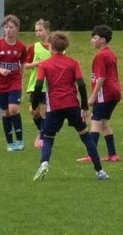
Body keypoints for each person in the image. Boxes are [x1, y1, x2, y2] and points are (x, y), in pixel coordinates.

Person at [32, 31, 107, 181]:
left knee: (48, 137)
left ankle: (44, 163)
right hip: (72, 104)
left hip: (55, 106)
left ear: (51, 47)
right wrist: (84, 106)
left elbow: (38, 85)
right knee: (86, 136)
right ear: (65, 46)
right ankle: (100, 171)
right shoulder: (73, 63)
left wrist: (36, 104)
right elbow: (81, 84)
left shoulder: (45, 65)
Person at [0, 14, 33, 151]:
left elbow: (23, 62)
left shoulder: (21, 46)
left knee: (13, 109)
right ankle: (10, 143)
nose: (8, 30)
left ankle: (20, 141)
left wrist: (21, 76)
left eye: (11, 27)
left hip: (14, 82)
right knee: (6, 113)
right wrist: (0, 70)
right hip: (1, 83)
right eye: (6, 27)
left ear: (17, 29)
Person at [81, 25, 122, 163]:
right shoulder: (111, 53)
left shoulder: (101, 55)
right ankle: (113, 154)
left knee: (95, 122)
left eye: (95, 38)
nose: (92, 40)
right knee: (104, 123)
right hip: (115, 92)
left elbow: (101, 78)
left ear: (103, 40)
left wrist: (93, 96)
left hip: (105, 93)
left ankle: (91, 155)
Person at [27, 18, 54, 130]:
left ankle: (43, 136)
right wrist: (36, 64)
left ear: (47, 30)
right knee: (34, 111)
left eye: (40, 30)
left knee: (44, 111)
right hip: (36, 84)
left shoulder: (56, 46)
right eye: (36, 31)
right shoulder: (34, 47)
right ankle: (41, 131)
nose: (38, 33)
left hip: (50, 85)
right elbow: (25, 65)